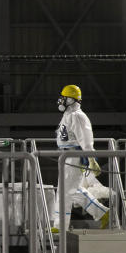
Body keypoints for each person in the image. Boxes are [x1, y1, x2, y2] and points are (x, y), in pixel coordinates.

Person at [52, 84, 110, 233]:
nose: (61, 101)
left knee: (65, 192)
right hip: (66, 155)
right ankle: (103, 213)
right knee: (71, 190)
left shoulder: (78, 116)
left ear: (71, 99)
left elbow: (86, 139)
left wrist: (91, 159)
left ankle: (60, 227)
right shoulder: (68, 115)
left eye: (64, 98)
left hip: (73, 156)